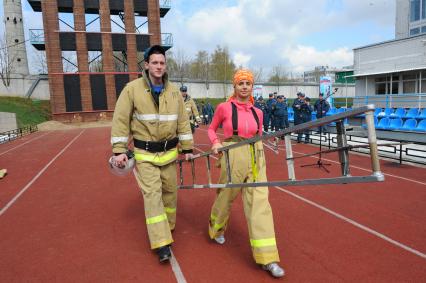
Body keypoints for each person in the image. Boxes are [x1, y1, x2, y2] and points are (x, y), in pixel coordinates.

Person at [110, 45, 194, 263]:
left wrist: (187, 149)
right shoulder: (131, 89)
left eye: (162, 63)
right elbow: (120, 119)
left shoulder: (174, 91)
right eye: (154, 63)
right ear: (146, 65)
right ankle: (161, 243)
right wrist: (119, 150)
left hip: (169, 155)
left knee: (170, 195)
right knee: (153, 197)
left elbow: (183, 122)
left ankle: (168, 227)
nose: (159, 66)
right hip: (145, 156)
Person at [207, 69, 285, 278]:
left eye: (247, 83)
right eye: (240, 83)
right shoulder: (224, 108)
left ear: (251, 87)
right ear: (234, 86)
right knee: (226, 197)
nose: (244, 87)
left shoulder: (258, 112)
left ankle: (268, 258)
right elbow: (212, 129)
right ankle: (216, 228)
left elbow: (258, 135)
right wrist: (215, 143)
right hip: (233, 153)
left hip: (256, 155)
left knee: (260, 203)